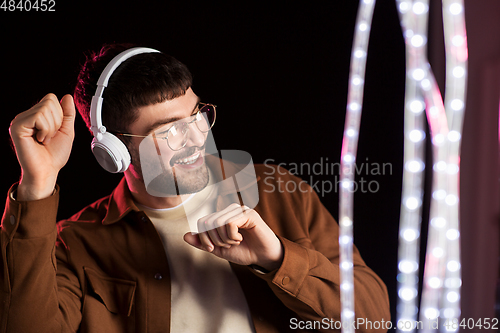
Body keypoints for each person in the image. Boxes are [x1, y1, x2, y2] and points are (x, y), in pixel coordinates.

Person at [1, 43, 390, 332]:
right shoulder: (77, 242)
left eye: (197, 115)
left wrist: (277, 260)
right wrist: (38, 185)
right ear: (115, 153)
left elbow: (375, 319)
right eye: (168, 131)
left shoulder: (276, 190)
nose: (195, 138)